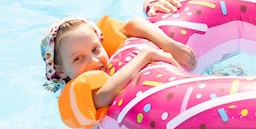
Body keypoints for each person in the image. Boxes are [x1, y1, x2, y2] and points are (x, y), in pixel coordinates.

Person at [40, 16, 196, 110]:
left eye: (95, 49)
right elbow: (102, 97)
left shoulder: (113, 55)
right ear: (61, 71)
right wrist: (145, 56)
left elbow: (132, 24)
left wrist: (169, 45)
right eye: (78, 59)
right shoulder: (75, 90)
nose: (94, 61)